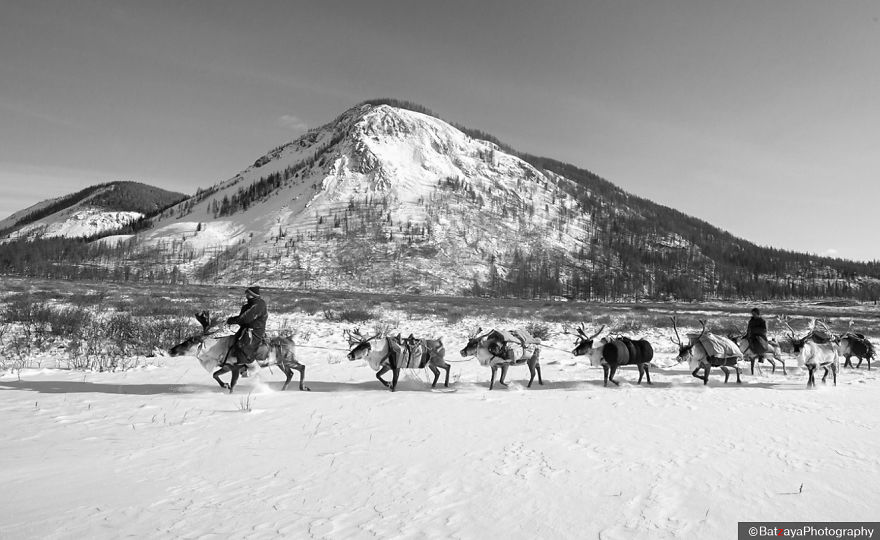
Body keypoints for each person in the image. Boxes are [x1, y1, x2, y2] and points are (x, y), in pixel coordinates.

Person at [226, 285, 268, 368]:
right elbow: (243, 318)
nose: (246, 295)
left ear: (253, 295)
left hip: (255, 330)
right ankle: (235, 358)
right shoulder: (250, 304)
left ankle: (249, 363)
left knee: (243, 345)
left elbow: (245, 318)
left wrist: (232, 320)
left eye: (248, 294)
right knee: (233, 341)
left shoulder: (258, 305)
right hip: (246, 328)